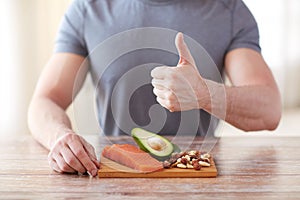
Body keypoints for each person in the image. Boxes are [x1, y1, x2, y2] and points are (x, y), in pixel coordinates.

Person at [28, 0, 282, 177]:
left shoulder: (229, 11)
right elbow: (46, 100)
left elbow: (269, 109)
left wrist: (204, 93)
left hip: (195, 175)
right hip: (113, 174)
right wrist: (59, 137)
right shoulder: (87, 9)